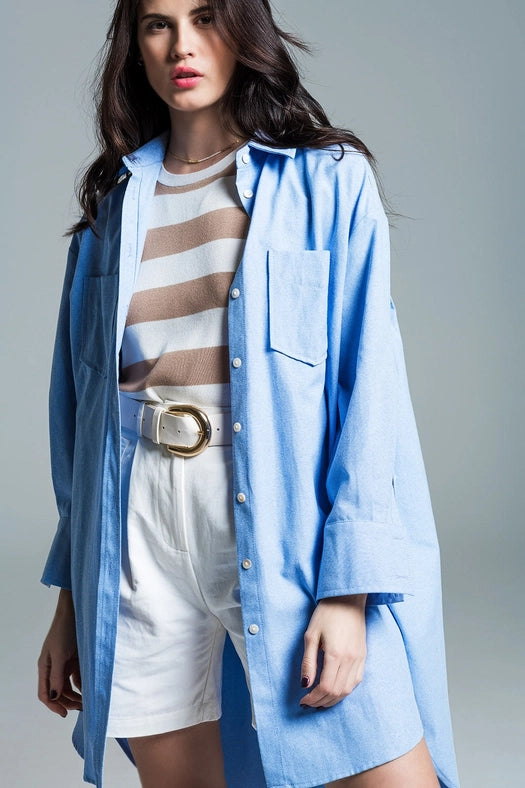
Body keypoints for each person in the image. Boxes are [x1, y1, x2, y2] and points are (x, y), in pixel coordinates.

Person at [37, 1, 460, 787]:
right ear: (135, 45)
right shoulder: (112, 208)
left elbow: (369, 391)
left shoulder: (326, 180)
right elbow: (80, 415)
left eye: (205, 18)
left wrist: (347, 592)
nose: (181, 45)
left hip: (279, 516)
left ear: (244, 31)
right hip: (135, 528)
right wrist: (71, 600)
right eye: (157, 24)